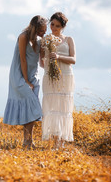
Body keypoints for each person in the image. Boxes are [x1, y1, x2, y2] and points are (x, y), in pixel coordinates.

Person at [3, 15, 48, 149]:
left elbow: (41, 61)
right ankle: (27, 141)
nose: (43, 33)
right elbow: (22, 59)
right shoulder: (23, 37)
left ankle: (28, 142)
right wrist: (26, 81)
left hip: (34, 76)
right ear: (35, 28)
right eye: (41, 31)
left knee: (31, 109)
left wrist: (46, 48)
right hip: (19, 75)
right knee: (33, 106)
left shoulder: (40, 40)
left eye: (45, 31)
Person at [40, 12, 76, 149]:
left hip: (66, 76)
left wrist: (58, 57)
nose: (54, 28)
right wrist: (48, 63)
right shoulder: (46, 40)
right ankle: (53, 140)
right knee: (51, 107)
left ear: (63, 27)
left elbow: (73, 60)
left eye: (58, 26)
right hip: (51, 76)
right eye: (52, 24)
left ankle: (61, 141)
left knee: (63, 108)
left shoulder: (69, 40)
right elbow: (42, 63)